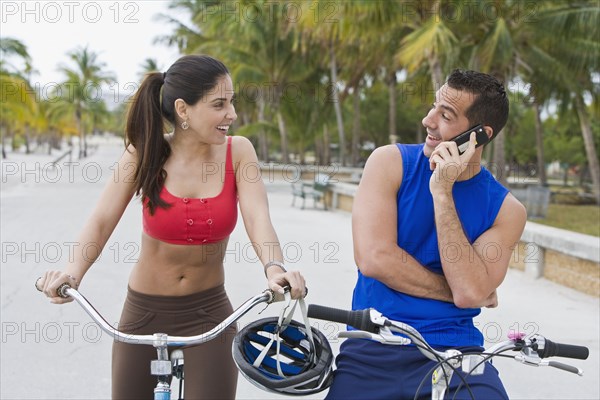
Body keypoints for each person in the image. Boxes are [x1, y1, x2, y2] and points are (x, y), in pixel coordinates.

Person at [36, 54, 306, 399]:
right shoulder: (145, 153)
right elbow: (101, 220)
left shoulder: (238, 152)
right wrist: (71, 274)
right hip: (145, 311)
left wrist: (274, 268)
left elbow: (258, 218)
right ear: (184, 110)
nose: (232, 115)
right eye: (219, 104)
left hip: (210, 314)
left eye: (232, 102)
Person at [326, 70, 527, 399]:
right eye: (434, 107)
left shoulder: (507, 210)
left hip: (458, 353)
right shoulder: (389, 163)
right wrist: (454, 293)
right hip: (374, 344)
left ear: (480, 135)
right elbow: (375, 259)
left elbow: (471, 290)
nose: (427, 120)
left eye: (445, 115)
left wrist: (442, 191)